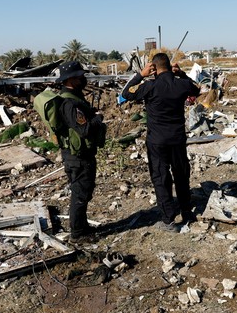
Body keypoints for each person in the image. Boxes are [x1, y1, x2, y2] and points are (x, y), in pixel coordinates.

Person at [121, 52, 201, 232]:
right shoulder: (181, 84)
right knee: (181, 174)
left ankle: (168, 220)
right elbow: (196, 89)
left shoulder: (149, 86)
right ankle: (186, 210)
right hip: (178, 139)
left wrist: (140, 75)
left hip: (157, 141)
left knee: (161, 178)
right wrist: (180, 74)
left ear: (154, 68)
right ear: (170, 66)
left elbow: (126, 93)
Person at [54, 61, 106, 241]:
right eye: (80, 77)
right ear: (71, 79)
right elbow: (84, 130)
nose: (83, 79)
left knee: (84, 191)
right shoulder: (69, 103)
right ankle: (77, 234)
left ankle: (82, 227)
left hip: (80, 155)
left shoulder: (74, 98)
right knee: (80, 194)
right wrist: (98, 119)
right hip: (78, 157)